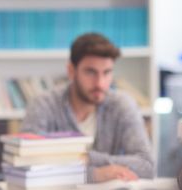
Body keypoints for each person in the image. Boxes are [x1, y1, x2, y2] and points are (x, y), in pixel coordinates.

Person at [21, 33, 154, 183]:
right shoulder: (43, 105)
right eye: (91, 72)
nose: (100, 83)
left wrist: (88, 158)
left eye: (107, 72)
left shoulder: (122, 105)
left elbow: (147, 165)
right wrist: (96, 175)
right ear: (71, 71)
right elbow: (27, 167)